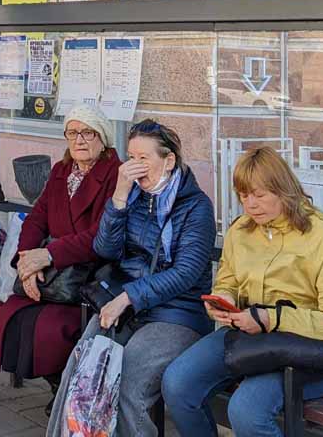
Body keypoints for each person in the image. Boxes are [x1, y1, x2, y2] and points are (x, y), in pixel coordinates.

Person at [163, 147, 323, 437]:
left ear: (283, 190)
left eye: (260, 194)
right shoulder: (241, 230)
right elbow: (227, 281)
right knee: (177, 383)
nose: (251, 205)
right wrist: (224, 301)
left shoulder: (321, 236)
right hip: (249, 337)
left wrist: (271, 319)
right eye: (244, 195)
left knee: (247, 410)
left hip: (307, 349)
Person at [46, 120, 216, 437]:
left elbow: (185, 273)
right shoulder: (134, 195)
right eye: (130, 157)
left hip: (177, 314)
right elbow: (105, 249)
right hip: (128, 306)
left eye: (143, 158)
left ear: (169, 161)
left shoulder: (195, 207)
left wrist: (128, 298)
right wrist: (119, 199)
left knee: (129, 385)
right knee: (82, 372)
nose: (133, 167)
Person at [0, 106, 121, 403]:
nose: (80, 140)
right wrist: (27, 262)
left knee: (50, 329)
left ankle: (70, 393)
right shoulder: (62, 171)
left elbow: (100, 237)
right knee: (8, 317)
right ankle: (59, 388)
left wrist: (48, 255)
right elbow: (37, 218)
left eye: (88, 133)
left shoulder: (115, 174)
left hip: (89, 276)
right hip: (52, 275)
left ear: (103, 139)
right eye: (72, 133)